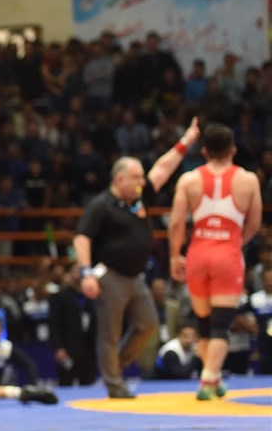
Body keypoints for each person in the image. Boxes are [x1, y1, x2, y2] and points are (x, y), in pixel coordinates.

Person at [73, 119, 201, 398]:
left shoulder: (140, 199)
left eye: (142, 177)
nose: (143, 182)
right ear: (119, 179)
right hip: (109, 275)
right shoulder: (101, 205)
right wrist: (85, 273)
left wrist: (186, 141)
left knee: (149, 325)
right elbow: (82, 238)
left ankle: (115, 366)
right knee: (110, 331)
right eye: (137, 178)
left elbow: (163, 169)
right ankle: (114, 384)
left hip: (136, 276)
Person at [168, 123, 262, 399]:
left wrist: (174, 255)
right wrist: (234, 243)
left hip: (198, 253)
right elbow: (254, 223)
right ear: (233, 149)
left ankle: (214, 376)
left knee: (204, 323)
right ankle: (207, 380)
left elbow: (176, 223)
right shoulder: (248, 180)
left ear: (204, 151)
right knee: (221, 324)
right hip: (227, 254)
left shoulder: (188, 180)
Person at [0, 316, 56, 405]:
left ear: (0, 330)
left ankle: (23, 392)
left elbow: (29, 365)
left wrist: (32, 387)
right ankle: (19, 392)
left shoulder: (7, 347)